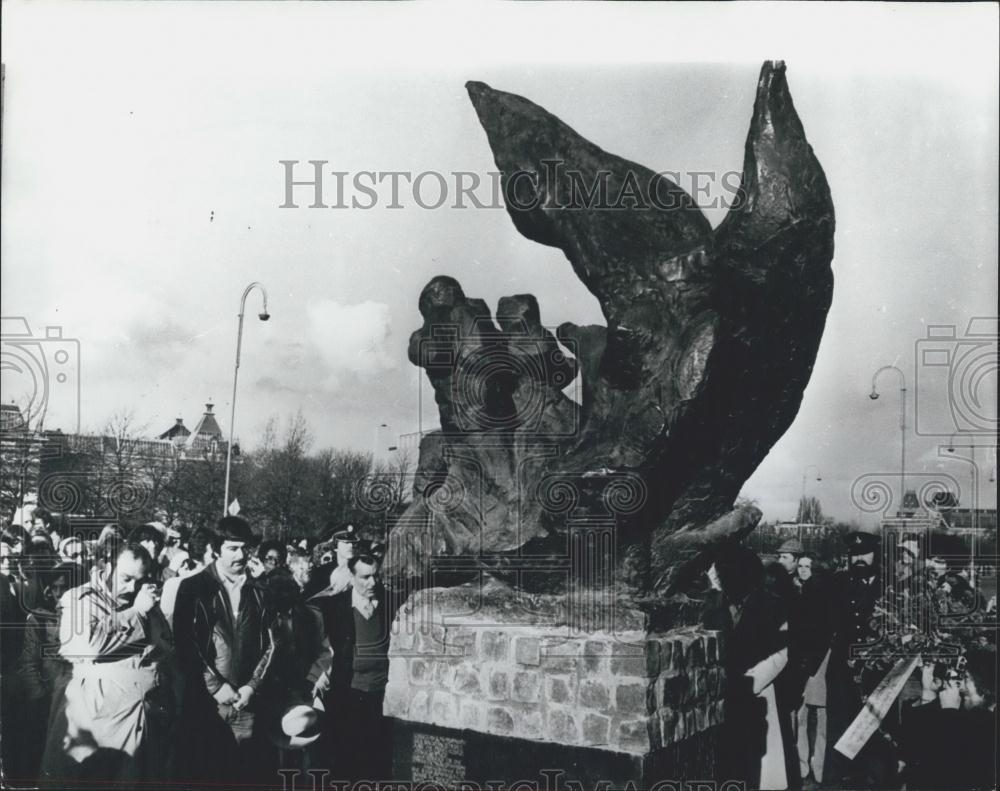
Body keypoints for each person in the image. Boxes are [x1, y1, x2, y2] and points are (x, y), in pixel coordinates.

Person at [38, 542, 174, 786]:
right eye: (125, 578)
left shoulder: (142, 599)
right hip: (97, 720)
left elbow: (164, 648)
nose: (131, 587)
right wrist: (137, 613)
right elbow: (87, 646)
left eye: (138, 581)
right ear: (106, 566)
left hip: (144, 718)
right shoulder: (80, 599)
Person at [172, 516, 277, 786]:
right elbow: (185, 643)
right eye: (232, 548)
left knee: (245, 776)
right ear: (216, 548)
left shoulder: (260, 591)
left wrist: (253, 685)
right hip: (206, 704)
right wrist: (216, 686)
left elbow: (273, 643)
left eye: (245, 548)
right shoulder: (192, 587)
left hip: (247, 703)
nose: (240, 555)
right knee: (206, 774)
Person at [701, 542, 789, 790]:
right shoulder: (713, 605)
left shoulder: (773, 605)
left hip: (758, 691)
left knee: (757, 768)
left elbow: (783, 652)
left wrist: (751, 681)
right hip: (722, 696)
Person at [309, 543, 397, 783]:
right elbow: (322, 649)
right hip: (348, 693)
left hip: (382, 695)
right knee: (346, 760)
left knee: (378, 760)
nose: (372, 583)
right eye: (365, 577)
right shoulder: (334, 608)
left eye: (376, 576)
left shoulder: (392, 604)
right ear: (352, 577)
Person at [824, 530, 895, 788]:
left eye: (864, 553)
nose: (859, 559)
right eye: (854, 554)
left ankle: (876, 783)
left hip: (880, 672)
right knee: (839, 728)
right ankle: (835, 783)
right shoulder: (837, 583)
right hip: (843, 669)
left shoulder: (893, 586)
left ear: (876, 554)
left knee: (875, 731)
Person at [19, 562, 77, 780]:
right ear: (48, 589)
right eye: (55, 587)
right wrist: (39, 697)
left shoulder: (86, 616)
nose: (59, 593)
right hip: (50, 695)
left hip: (78, 696)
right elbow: (29, 663)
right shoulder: (39, 618)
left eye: (65, 587)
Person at [792, 554, 832, 785]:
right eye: (801, 567)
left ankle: (812, 766)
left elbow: (815, 629)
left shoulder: (815, 592)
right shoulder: (803, 590)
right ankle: (810, 766)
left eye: (808, 567)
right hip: (809, 659)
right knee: (806, 714)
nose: (803, 570)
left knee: (813, 714)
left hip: (816, 660)